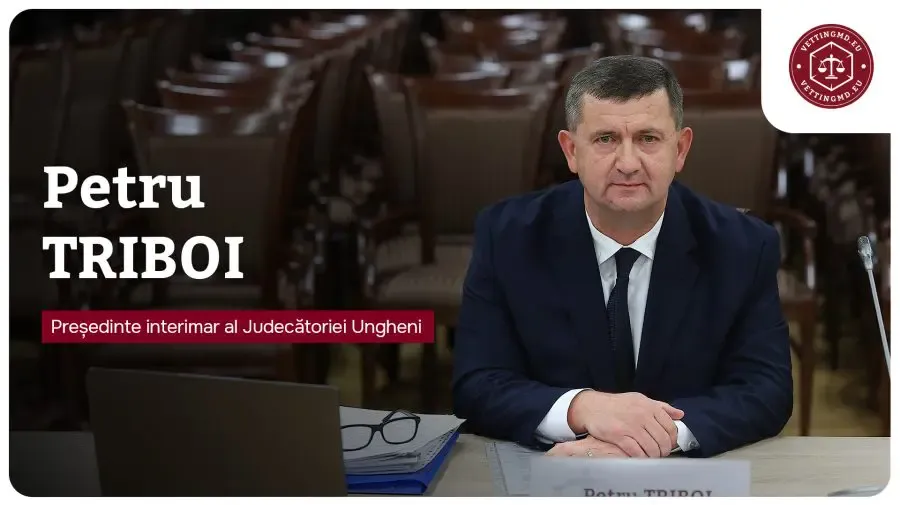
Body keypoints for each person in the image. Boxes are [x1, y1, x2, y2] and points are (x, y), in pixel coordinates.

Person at [451, 55, 793, 459]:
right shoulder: (508, 236)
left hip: (687, 478)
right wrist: (581, 409)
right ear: (571, 150)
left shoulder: (743, 247)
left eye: (648, 138)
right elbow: (476, 384)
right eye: (605, 139)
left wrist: (655, 437)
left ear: (680, 149)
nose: (628, 164)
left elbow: (766, 390)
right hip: (551, 469)